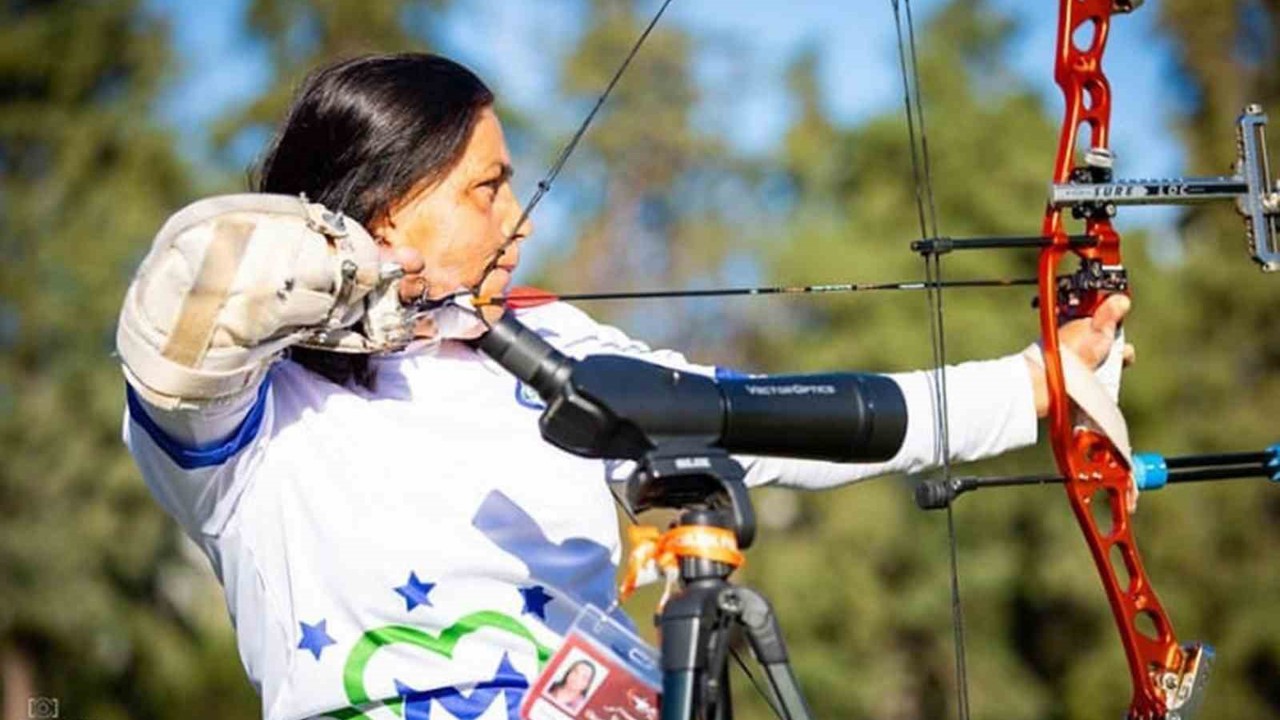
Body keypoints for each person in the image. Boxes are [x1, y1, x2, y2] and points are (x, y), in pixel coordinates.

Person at [116, 53, 1133, 720]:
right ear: (382, 213)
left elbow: (781, 422)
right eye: (486, 187)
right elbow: (195, 293)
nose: (520, 218)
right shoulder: (252, 408)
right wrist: (370, 289)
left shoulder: (549, 345)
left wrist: (1040, 383)